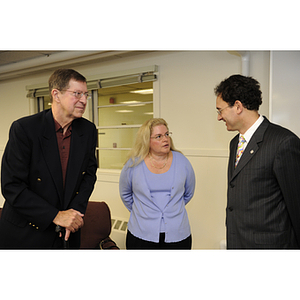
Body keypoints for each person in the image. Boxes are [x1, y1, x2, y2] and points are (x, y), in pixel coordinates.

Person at [0, 69, 98, 249]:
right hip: (26, 232)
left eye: (85, 94)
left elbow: (89, 175)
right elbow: (11, 185)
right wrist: (55, 215)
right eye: (77, 94)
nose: (84, 100)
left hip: (67, 233)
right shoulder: (25, 129)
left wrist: (74, 213)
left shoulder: (89, 130)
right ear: (56, 95)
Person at [215, 74, 300, 249]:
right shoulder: (235, 144)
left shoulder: (283, 142)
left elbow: (296, 205)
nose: (219, 117)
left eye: (220, 110)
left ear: (237, 106)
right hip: (238, 241)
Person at [119, 118, 195, 249]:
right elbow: (125, 194)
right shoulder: (133, 164)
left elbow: (188, 193)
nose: (165, 139)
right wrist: (143, 212)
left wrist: (172, 209)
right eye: (158, 136)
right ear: (146, 141)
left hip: (178, 235)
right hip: (140, 234)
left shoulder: (182, 162)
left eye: (166, 134)